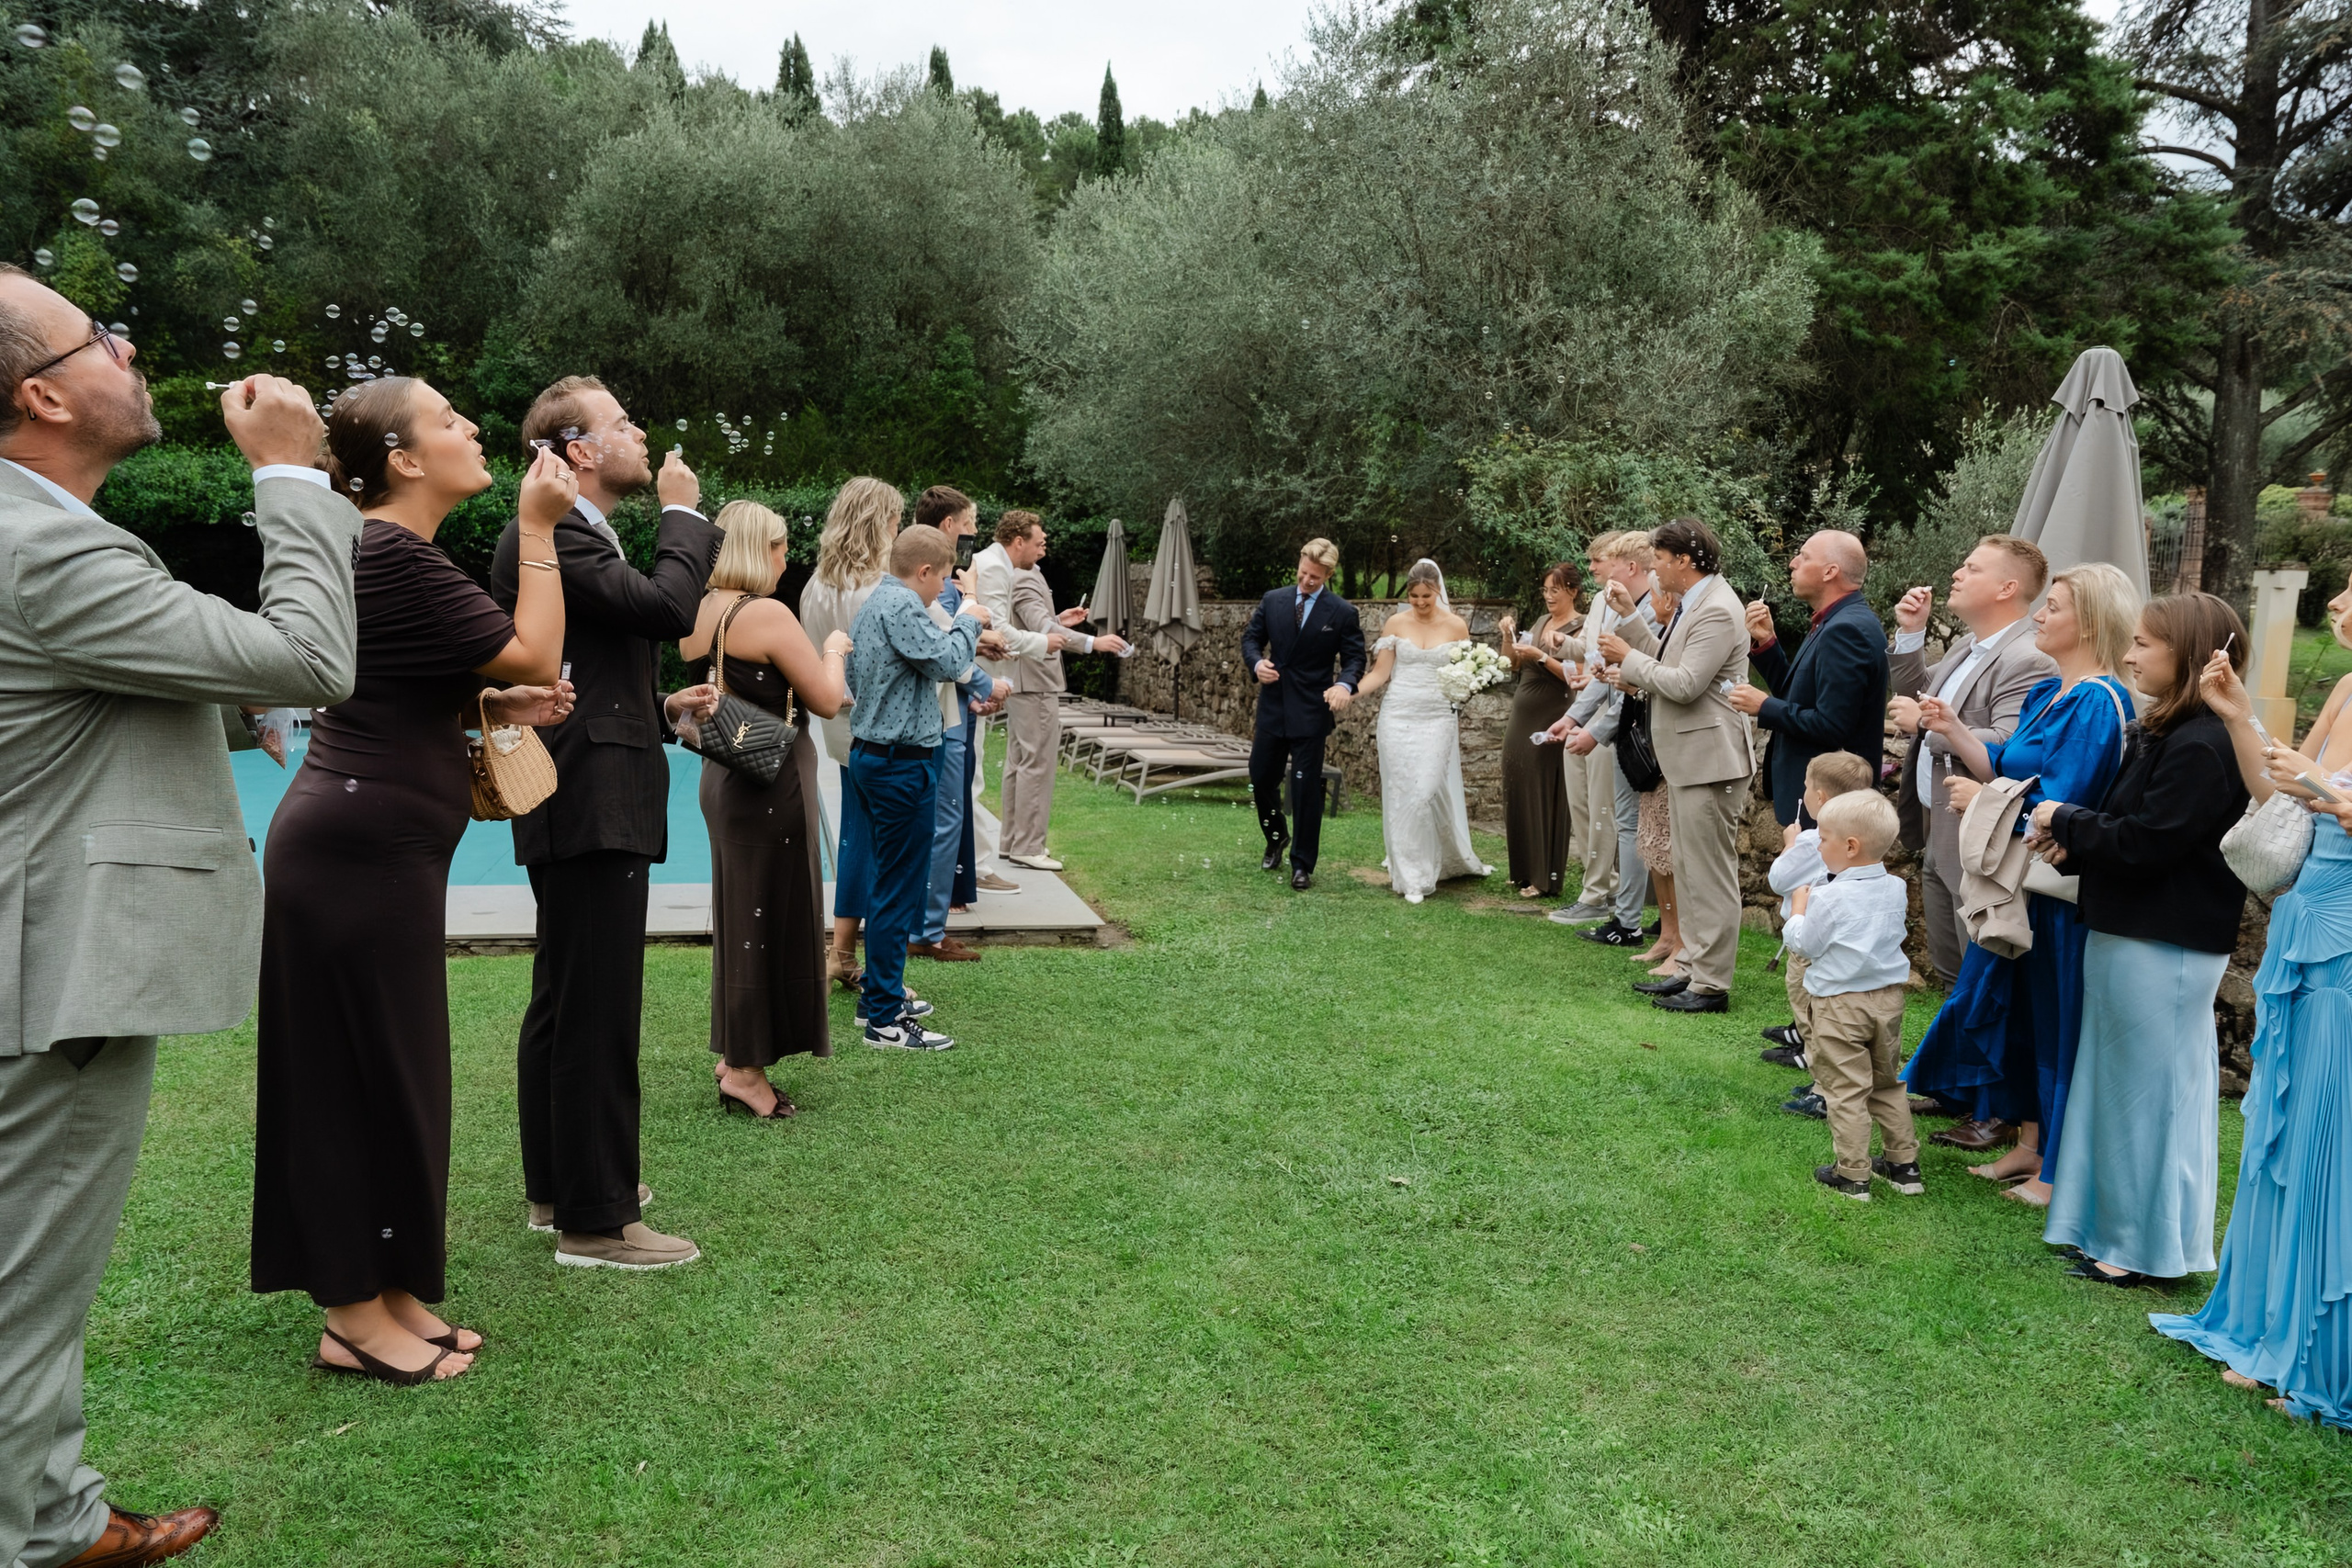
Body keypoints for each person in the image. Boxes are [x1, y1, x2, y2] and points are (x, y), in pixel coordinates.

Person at [1, 263, 357, 1567]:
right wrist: (290, 478)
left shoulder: (32, 529)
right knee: (20, 1287)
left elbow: (87, 692)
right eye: (101, 338)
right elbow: (314, 656)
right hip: (44, 972)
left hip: (34, 951)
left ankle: (56, 1514)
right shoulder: (36, 545)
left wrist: (232, 706)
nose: (131, 348)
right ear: (42, 392)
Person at [252, 378, 574, 1382]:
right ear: (399, 459)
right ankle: (352, 1316)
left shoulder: (393, 554)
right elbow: (537, 644)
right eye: (447, 420)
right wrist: (538, 527)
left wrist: (484, 690)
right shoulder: (389, 548)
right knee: (350, 1079)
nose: (474, 429)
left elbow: (390, 675)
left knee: (394, 1072)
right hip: (356, 851)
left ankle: (388, 1289)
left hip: (370, 847)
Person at [495, 376, 718, 1272]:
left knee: (564, 996)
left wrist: (657, 705)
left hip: (591, 781)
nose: (641, 431)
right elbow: (670, 607)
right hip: (590, 798)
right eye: (624, 422)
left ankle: (560, 1189)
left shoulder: (576, 538)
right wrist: (683, 514)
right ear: (579, 450)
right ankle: (598, 1220)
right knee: (596, 1005)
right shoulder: (548, 535)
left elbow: (594, 659)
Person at [2154, 570, 2352, 1424]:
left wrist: (2324, 783)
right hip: (2304, 914)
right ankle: (2271, 1327)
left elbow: (2328, 796)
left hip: (2345, 937)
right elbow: (2287, 808)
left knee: (2327, 1146)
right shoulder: (2347, 685)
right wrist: (2240, 718)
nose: (2338, 602)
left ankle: (2319, 1355)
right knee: (2283, 1132)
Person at [2034, 592, 2250, 1288]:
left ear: (2185, 655)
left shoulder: (2202, 743)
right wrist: (2081, 841)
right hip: (2137, 930)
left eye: (2144, 645)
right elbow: (2133, 828)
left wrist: (2064, 819)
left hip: (2166, 940)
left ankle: (2132, 1248)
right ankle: (2118, 1233)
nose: (2129, 656)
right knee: (2130, 1088)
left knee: (2146, 1096)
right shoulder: (2172, 731)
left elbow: (2153, 841)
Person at [1899, 564, 2141, 1179]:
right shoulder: (2047, 693)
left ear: (2089, 620)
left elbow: (2064, 800)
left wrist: (1984, 804)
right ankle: (2027, 1145)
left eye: (2053, 608)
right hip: (2017, 884)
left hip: (2051, 890)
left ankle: (2053, 1161)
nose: (2039, 615)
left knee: (2051, 1018)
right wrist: (1953, 729)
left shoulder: (2095, 701)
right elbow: (2002, 762)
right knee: (2019, 1012)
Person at [667, 502, 851, 1120]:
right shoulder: (766, 613)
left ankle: (738, 1054)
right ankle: (744, 1071)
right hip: (770, 780)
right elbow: (826, 699)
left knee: (741, 915)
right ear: (756, 549)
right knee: (768, 921)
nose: (786, 558)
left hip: (724, 774)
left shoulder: (696, 608)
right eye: (779, 547)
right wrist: (833, 650)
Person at [844, 524, 997, 1048]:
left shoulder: (874, 602)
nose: (943, 594)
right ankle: (885, 1018)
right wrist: (969, 617)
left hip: (875, 756)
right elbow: (952, 662)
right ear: (926, 571)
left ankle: (875, 1001)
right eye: (941, 584)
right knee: (897, 889)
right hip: (900, 764)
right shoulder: (903, 605)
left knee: (888, 883)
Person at [1598, 519, 1754, 1013]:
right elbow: (1667, 662)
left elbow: (1685, 684)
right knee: (1687, 870)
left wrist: (1626, 658)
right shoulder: (1697, 601)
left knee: (1708, 874)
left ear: (1684, 561)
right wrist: (1630, 624)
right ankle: (1690, 967)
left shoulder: (1718, 609)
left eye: (1659, 561)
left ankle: (1710, 985)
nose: (1654, 569)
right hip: (1689, 758)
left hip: (1711, 760)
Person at [1888, 536, 2058, 987]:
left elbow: (2008, 743)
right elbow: (1921, 695)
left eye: (1972, 568)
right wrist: (1910, 633)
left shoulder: (2029, 659)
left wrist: (1925, 726)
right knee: (1951, 973)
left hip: (1977, 830)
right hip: (1937, 822)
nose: (1957, 574)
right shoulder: (1968, 644)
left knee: (1977, 973)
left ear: (2007, 588)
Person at [1781, 788, 1922, 1200]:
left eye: (1823, 839)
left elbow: (1806, 945)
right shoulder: (1895, 887)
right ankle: (1903, 1165)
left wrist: (1798, 910)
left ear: (1850, 846)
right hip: (1887, 1001)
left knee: (1845, 1089)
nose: (1818, 845)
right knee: (1885, 1082)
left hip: (1840, 1006)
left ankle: (1853, 1173)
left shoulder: (1829, 896)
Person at [798, 477, 902, 990]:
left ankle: (840, 951)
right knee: (887, 848)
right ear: (880, 522)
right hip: (885, 728)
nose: (900, 527)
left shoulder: (816, 585)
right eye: (895, 518)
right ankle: (884, 977)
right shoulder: (883, 588)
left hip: (838, 726)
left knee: (856, 836)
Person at [981, 510, 1126, 874]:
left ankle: (1012, 841)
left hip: (1021, 681)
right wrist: (1094, 642)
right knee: (1037, 764)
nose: (1043, 545)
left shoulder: (1017, 573)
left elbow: (1036, 623)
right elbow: (1040, 629)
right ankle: (1030, 846)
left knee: (1019, 761)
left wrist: (1061, 620)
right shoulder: (1025, 577)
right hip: (1035, 683)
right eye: (1038, 540)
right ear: (1019, 541)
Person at [1351, 558, 1493, 904]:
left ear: (1437, 592)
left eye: (1426, 596)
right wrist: (1349, 690)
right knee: (1401, 793)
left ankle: (1442, 858)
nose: (1419, 603)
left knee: (1424, 792)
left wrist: (1468, 686)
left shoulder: (1457, 626)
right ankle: (1412, 876)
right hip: (1397, 716)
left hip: (1437, 718)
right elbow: (1381, 674)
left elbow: (1470, 673)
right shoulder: (1396, 623)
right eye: (1413, 596)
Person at [1730, 529, 1887, 827]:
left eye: (1804, 556)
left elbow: (1831, 726)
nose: (1792, 562)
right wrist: (1767, 643)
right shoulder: (1834, 622)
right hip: (1820, 801)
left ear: (1830, 572)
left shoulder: (1846, 630)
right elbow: (1801, 697)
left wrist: (1764, 706)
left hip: (1830, 804)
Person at [1241, 537, 1367, 891]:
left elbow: (1355, 658)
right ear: (1299, 563)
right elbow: (1250, 640)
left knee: (1305, 787)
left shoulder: (1342, 612)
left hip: (1312, 709)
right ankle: (1276, 835)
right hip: (1273, 705)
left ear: (1329, 573)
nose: (1307, 580)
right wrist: (1256, 663)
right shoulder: (1274, 600)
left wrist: (1344, 685)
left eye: (1315, 576)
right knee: (1260, 777)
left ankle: (1302, 864)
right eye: (1303, 572)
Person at [1552, 530, 1657, 944]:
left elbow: (1637, 681)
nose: (1597, 567)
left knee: (1632, 826)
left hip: (1640, 729)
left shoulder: (1647, 613)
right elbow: (1603, 672)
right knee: (1632, 823)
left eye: (1606, 560)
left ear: (1628, 566)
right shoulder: (1619, 606)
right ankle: (1632, 919)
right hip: (1621, 723)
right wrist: (1574, 717)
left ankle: (1628, 921)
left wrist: (1594, 731)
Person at [908, 487, 998, 962]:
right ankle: (927, 929)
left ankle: (924, 923)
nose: (974, 530)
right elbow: (944, 653)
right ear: (948, 525)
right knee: (944, 821)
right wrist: (984, 684)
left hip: (945, 713)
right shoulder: (938, 582)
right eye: (969, 521)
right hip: (944, 721)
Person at [1764, 750, 1880, 1108]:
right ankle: (1825, 1085)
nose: (1804, 792)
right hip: (1843, 945)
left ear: (1821, 799)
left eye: (1807, 787)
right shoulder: (1866, 840)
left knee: (1810, 1017)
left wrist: (1788, 846)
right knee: (1826, 1020)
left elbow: (1778, 880)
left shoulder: (1813, 840)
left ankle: (1823, 1092)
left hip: (1808, 943)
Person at [1498, 562, 1578, 902]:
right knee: (1517, 784)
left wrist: (1542, 658)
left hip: (1552, 716)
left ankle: (1545, 878)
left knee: (1542, 791)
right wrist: (1508, 637)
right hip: (1521, 718)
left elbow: (1578, 675)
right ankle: (1521, 872)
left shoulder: (1582, 626)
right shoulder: (1541, 622)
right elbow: (1512, 663)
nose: (1548, 597)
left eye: (1554, 590)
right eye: (1545, 590)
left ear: (1572, 591)